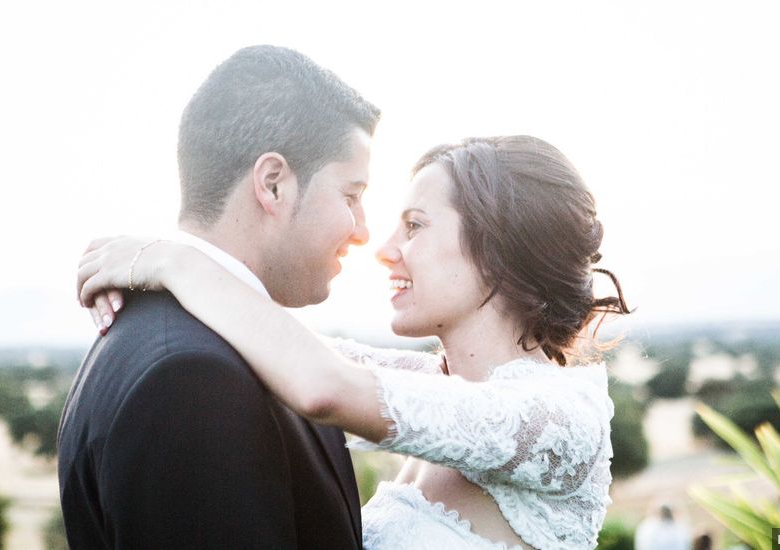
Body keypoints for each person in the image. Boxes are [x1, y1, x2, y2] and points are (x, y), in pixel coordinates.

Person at [79, 135, 632, 549]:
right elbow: (285, 344)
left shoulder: (562, 418)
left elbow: (322, 386)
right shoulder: (431, 386)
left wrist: (178, 261)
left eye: (415, 226)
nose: (385, 249)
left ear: (499, 250)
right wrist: (149, 275)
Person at [58, 45, 381, 549]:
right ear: (273, 184)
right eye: (351, 195)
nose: (362, 231)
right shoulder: (190, 380)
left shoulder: (209, 344)